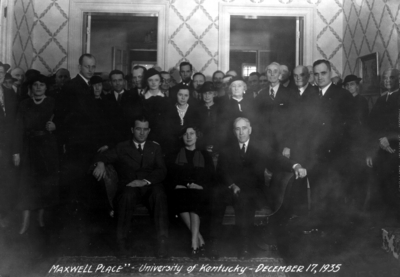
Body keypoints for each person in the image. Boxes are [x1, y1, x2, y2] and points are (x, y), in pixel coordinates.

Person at [209, 117, 307, 260]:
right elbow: (221, 171)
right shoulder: (227, 150)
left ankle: (244, 247)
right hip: (231, 188)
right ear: (234, 131)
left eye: (244, 128)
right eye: (237, 129)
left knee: (245, 200)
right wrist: (232, 185)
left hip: (253, 190)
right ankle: (214, 243)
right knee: (216, 198)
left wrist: (296, 166)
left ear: (250, 130)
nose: (241, 132)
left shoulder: (260, 147)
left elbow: (276, 159)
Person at [92, 116, 169, 258]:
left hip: (149, 185)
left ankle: (162, 242)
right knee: (126, 196)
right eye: (139, 129)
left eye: (145, 130)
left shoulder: (155, 147)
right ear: (132, 130)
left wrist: (145, 181)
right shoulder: (122, 147)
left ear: (149, 131)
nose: (142, 133)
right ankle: (121, 243)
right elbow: (103, 156)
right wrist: (101, 163)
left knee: (159, 194)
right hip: (129, 185)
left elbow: (161, 170)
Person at [307, 59, 353, 234]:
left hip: (336, 157)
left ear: (331, 72)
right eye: (316, 74)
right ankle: (319, 232)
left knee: (335, 197)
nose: (319, 77)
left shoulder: (343, 95)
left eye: (323, 73)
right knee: (318, 194)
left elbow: (351, 130)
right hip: (315, 157)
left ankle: (335, 236)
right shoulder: (311, 95)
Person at [13, 74, 59, 234]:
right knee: (26, 184)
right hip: (28, 148)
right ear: (31, 87)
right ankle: (24, 223)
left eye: (42, 85)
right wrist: (17, 152)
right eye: (35, 85)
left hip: (47, 148)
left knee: (44, 184)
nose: (38, 87)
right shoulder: (24, 104)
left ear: (46, 87)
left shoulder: (53, 103)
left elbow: (64, 123)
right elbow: (18, 128)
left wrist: (55, 126)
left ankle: (40, 219)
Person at [166, 126, 215, 259]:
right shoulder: (175, 154)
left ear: (197, 136)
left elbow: (209, 175)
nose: (188, 137)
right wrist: (186, 184)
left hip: (199, 190)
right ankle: (199, 239)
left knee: (195, 196)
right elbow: (172, 175)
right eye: (185, 134)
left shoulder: (205, 154)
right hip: (181, 190)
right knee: (180, 195)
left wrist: (200, 185)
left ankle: (194, 243)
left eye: (192, 134)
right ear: (181, 137)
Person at [366, 68, 399, 223]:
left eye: (391, 78)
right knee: (381, 188)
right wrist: (372, 149)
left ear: (398, 79)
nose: (387, 81)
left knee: (394, 188)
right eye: (385, 78)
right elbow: (371, 126)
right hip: (380, 149)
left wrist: (389, 138)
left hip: (395, 149)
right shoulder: (381, 99)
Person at [0, 62, 18, 228]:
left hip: (6, 146)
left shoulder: (9, 92)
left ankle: (3, 217)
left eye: (1, 73)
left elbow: (14, 122)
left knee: (5, 181)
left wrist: (14, 149)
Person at [141, 68, 170, 150]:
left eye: (156, 80)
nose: (153, 83)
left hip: (164, 140)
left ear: (160, 82)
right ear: (147, 82)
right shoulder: (141, 100)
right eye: (150, 80)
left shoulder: (167, 101)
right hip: (146, 140)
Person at [167, 84, 200, 151]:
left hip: (191, 148)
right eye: (180, 95)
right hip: (172, 147)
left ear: (189, 97)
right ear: (176, 95)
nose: (183, 98)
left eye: (186, 95)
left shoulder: (195, 111)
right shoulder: (169, 110)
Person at [198, 81, 220, 152]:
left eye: (210, 93)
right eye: (205, 93)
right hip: (202, 143)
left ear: (214, 94)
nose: (207, 96)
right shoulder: (198, 110)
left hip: (217, 143)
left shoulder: (219, 109)